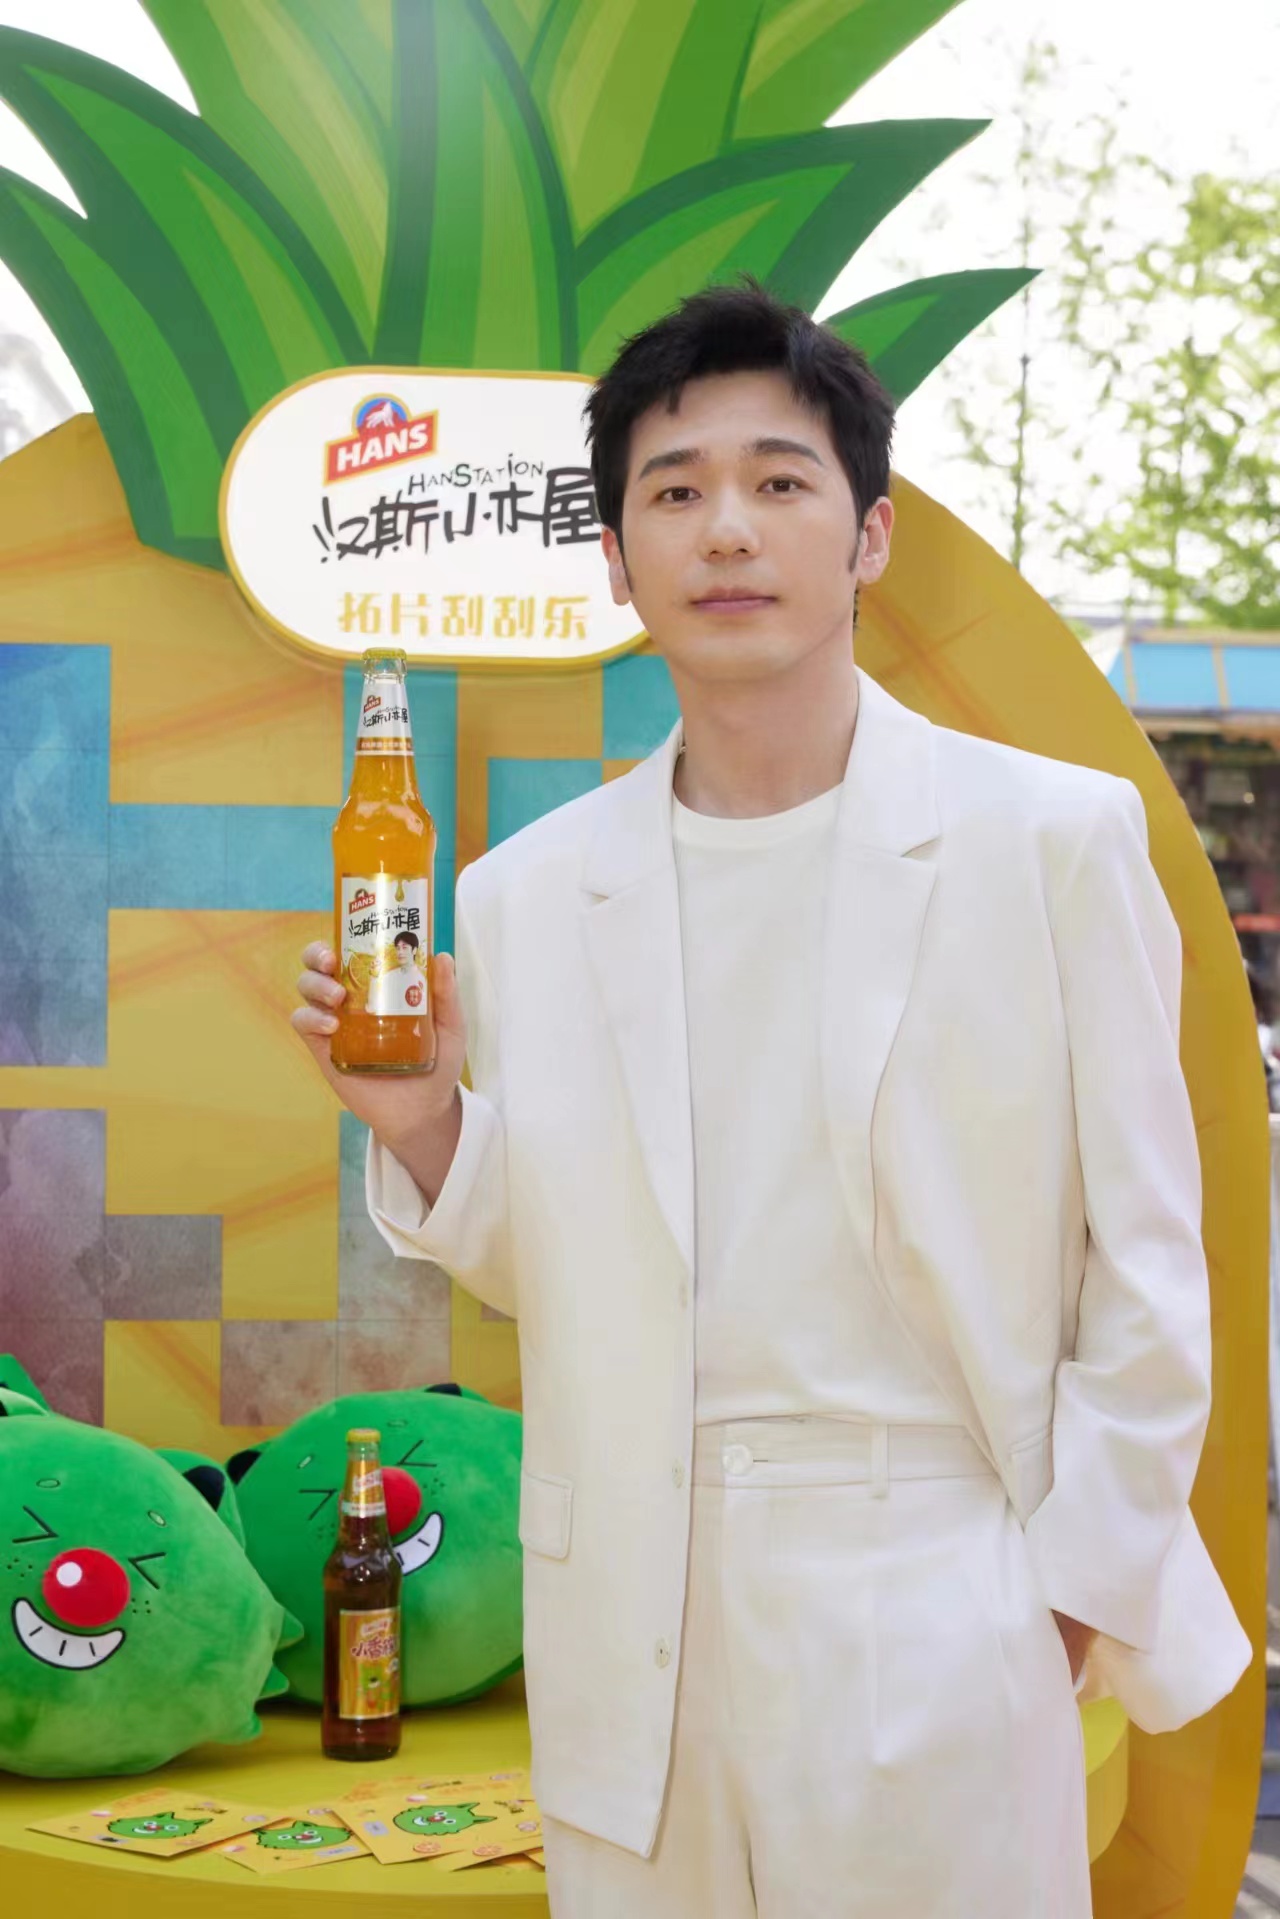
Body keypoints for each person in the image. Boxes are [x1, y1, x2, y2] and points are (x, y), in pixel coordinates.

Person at [293, 281, 1249, 1917]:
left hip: (936, 1572)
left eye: (779, 480)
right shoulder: (528, 893)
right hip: (631, 1609)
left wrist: (1059, 1605)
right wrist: (426, 1122)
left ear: (869, 536)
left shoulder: (1050, 842)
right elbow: (568, 1268)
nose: (727, 528)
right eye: (674, 491)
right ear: (617, 560)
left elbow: (1151, 1267)